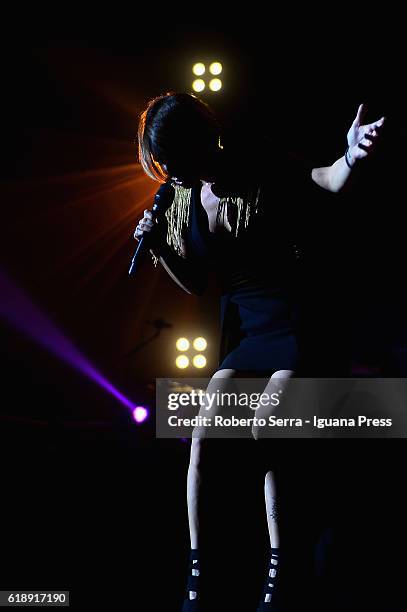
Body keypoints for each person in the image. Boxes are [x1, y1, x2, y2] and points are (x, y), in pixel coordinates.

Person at [135, 92, 384, 610]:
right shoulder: (184, 197)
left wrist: (350, 156)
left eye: (176, 159)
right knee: (203, 439)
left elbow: (324, 181)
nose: (171, 172)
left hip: (294, 322)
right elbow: (198, 283)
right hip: (247, 332)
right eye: (165, 164)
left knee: (265, 427)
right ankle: (198, 579)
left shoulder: (254, 163)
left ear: (198, 141)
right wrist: (159, 248)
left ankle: (282, 568)